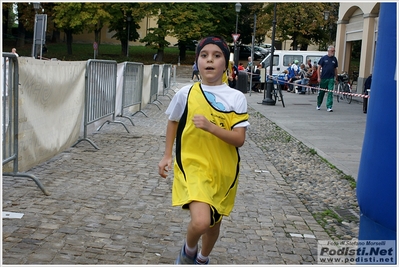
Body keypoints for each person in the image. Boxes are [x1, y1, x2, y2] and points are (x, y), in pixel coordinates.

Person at [158, 36, 250, 265]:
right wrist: (167, 154)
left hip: (223, 171)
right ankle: (188, 252)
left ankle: (202, 258)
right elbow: (173, 121)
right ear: (197, 61)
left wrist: (210, 127)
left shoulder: (236, 98)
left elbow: (239, 139)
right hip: (192, 165)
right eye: (204, 55)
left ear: (225, 63)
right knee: (200, 221)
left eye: (217, 55)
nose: (210, 60)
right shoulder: (185, 93)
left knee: (213, 223)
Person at [317, 46, 338, 112]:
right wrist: (318, 77)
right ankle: (319, 104)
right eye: (332, 51)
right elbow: (319, 68)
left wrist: (336, 77)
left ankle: (329, 106)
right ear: (328, 51)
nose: (333, 52)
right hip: (324, 78)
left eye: (334, 51)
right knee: (321, 92)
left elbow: (335, 69)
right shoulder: (323, 58)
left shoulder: (334, 59)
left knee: (330, 92)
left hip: (331, 78)